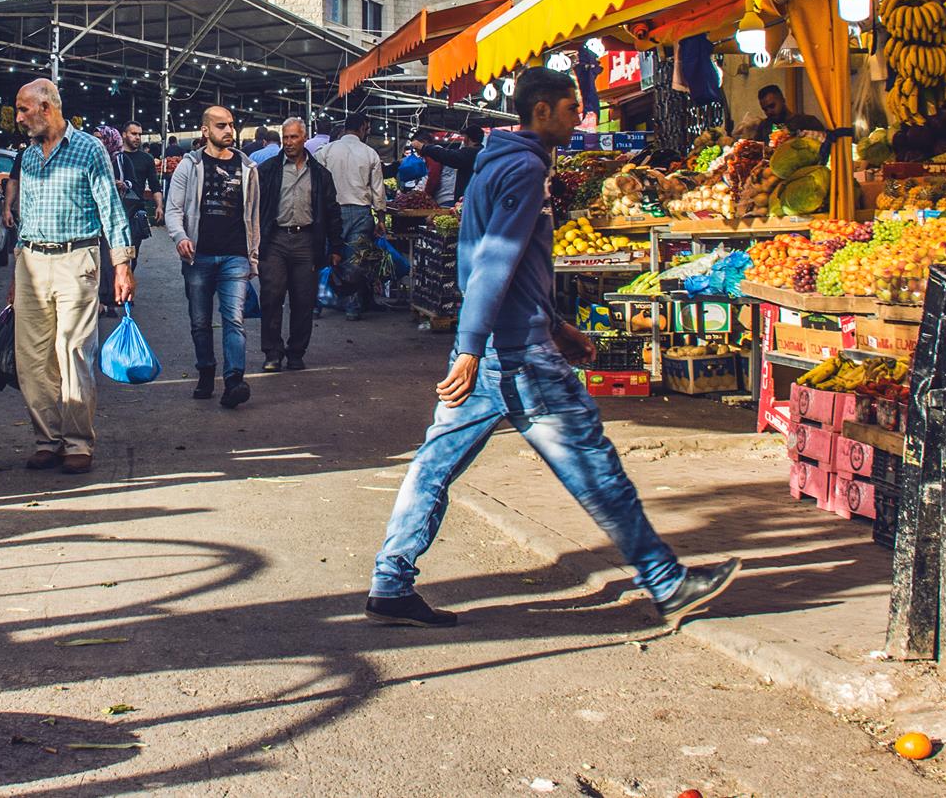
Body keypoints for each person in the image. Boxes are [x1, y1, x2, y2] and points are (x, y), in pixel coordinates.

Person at [366, 66, 739, 630]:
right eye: (570, 108)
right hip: (514, 353)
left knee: (435, 463)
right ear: (542, 110)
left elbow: (511, 267)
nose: (578, 116)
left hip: (503, 341)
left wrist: (555, 324)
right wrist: (471, 347)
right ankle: (664, 580)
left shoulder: (499, 161)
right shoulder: (521, 168)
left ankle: (390, 582)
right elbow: (494, 258)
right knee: (592, 464)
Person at [12, 78, 133, 475]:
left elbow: (111, 208)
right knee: (31, 359)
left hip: (76, 259)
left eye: (23, 109)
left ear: (46, 107)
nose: (19, 118)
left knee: (74, 352)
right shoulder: (29, 155)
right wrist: (18, 267)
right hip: (31, 260)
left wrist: (121, 264)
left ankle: (78, 442)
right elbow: (26, 216)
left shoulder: (89, 149)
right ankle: (47, 439)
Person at [167, 105, 262, 408]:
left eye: (231, 125)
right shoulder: (189, 165)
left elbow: (254, 215)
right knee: (199, 321)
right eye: (221, 126)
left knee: (234, 319)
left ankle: (234, 380)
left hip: (236, 256)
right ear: (206, 131)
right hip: (199, 257)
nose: (229, 131)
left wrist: (253, 256)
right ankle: (206, 370)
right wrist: (181, 237)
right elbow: (174, 209)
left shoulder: (248, 168)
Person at [257, 116, 344, 373]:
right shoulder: (269, 170)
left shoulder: (320, 174)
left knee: (303, 300)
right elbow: (255, 207)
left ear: (304, 138)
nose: (288, 142)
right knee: (271, 298)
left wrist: (336, 247)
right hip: (274, 241)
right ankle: (272, 353)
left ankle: (296, 353)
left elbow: (332, 210)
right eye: (285, 137)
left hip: (307, 241)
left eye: (293, 137)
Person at [316, 112, 385, 321]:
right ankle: (352, 308)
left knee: (324, 258)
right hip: (360, 213)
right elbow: (378, 191)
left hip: (330, 212)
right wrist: (381, 218)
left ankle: (316, 305)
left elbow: (316, 185)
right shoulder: (370, 153)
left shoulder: (325, 151)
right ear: (363, 127)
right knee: (357, 261)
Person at [115, 123, 162, 244]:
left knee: (132, 255)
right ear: (124, 135)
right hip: (115, 211)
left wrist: (159, 206)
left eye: (140, 134)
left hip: (136, 212)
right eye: (134, 134)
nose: (137, 137)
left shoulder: (146, 159)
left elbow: (154, 185)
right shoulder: (114, 157)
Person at [738, 84, 826, 142]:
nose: (769, 112)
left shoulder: (807, 122)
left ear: (783, 100)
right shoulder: (764, 126)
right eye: (765, 109)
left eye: (772, 106)